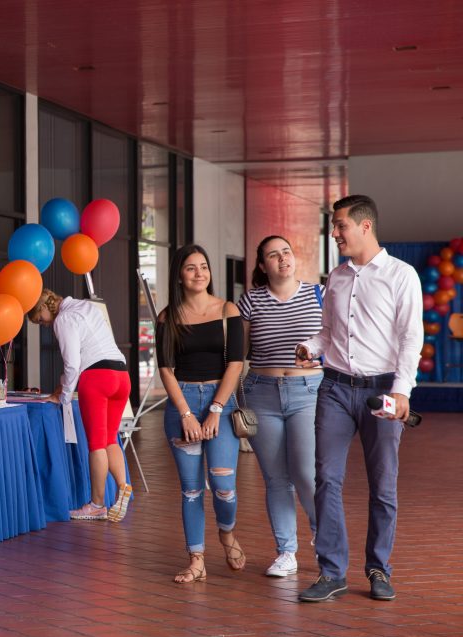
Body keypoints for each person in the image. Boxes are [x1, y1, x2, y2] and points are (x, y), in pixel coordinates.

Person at [295, 195, 422, 603]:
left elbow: (410, 338)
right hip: (334, 388)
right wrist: (310, 347)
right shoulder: (336, 276)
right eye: (334, 226)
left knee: (382, 485)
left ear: (365, 226)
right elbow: (328, 332)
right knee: (326, 478)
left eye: (340, 226)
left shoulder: (402, 275)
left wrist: (402, 390)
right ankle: (332, 572)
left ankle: (378, 568)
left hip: (382, 391)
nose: (334, 233)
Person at [157, 244, 246, 584]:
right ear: (179, 275)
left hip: (219, 402)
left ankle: (227, 532)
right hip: (182, 405)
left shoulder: (227, 310)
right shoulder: (167, 317)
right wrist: (186, 414)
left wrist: (215, 410)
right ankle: (196, 560)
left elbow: (235, 363)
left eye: (204, 266)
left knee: (223, 485)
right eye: (191, 267)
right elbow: (166, 369)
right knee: (192, 489)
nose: (199, 273)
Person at [238, 236, 324, 578]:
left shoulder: (318, 294)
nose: (282, 258)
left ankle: (323, 538)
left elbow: (337, 341)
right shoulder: (251, 301)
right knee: (276, 478)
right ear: (263, 266)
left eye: (286, 252)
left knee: (306, 473)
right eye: (273, 255)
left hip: (308, 392)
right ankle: (286, 552)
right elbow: (239, 352)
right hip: (261, 393)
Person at [27, 289, 132, 522]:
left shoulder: (63, 319)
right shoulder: (87, 306)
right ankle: (123, 485)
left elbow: (73, 364)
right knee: (110, 438)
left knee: (96, 445)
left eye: (40, 320)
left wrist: (63, 397)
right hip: (122, 375)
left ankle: (97, 504)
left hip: (97, 378)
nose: (45, 325)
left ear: (44, 307)